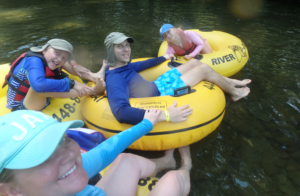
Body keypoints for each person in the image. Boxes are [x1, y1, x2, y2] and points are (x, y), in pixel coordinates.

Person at [0, 110, 192, 196]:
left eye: (62, 140)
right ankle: (186, 166)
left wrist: (147, 123)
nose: (67, 154)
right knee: (174, 180)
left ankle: (167, 162)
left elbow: (107, 150)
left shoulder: (63, 175)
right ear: (11, 190)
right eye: (41, 157)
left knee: (125, 160)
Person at [101, 32, 251, 125]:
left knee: (194, 62)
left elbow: (143, 64)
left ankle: (230, 82)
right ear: (110, 51)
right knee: (203, 69)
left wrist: (163, 57)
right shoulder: (115, 78)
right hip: (162, 93)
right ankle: (236, 93)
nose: (126, 49)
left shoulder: (121, 66)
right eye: (120, 47)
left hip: (157, 83)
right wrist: (165, 115)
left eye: (127, 45)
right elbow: (121, 112)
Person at [3, 39, 106, 111]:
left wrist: (74, 65)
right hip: (21, 106)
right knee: (37, 88)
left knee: (61, 62)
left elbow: (65, 58)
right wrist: (72, 83)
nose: (60, 58)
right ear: (44, 50)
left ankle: (94, 76)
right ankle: (92, 92)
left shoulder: (54, 59)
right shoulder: (33, 61)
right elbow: (38, 85)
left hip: (38, 97)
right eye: (56, 52)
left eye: (64, 57)